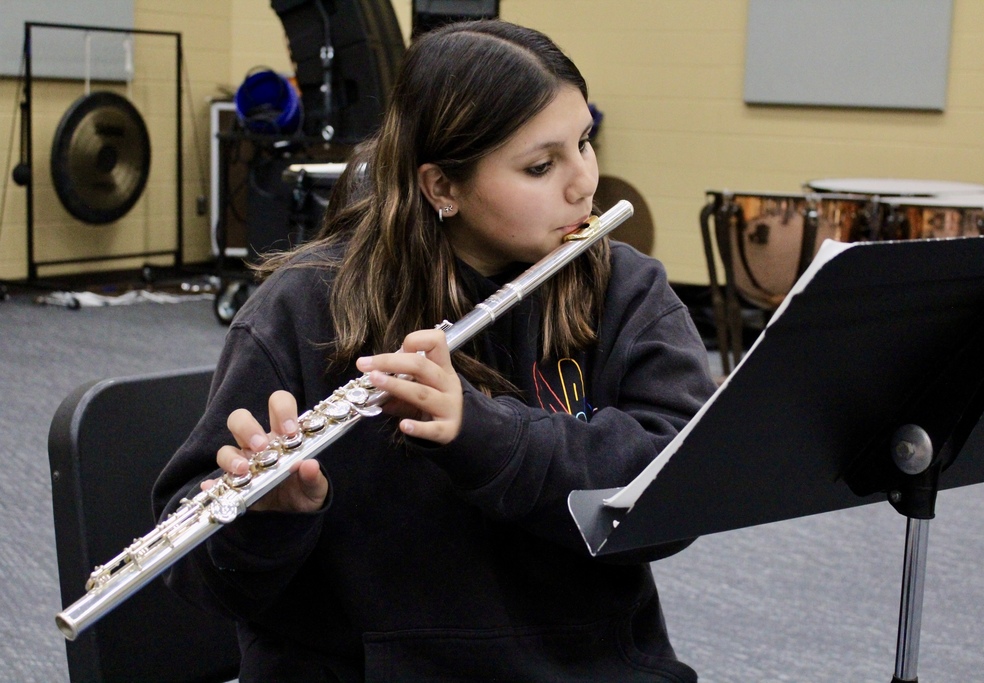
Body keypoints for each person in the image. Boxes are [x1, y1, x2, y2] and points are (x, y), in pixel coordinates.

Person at [154, 19, 717, 682]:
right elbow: (200, 576)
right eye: (541, 165)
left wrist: (488, 434)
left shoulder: (622, 287)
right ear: (441, 187)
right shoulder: (304, 308)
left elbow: (678, 491)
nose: (584, 184)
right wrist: (264, 523)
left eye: (584, 142)